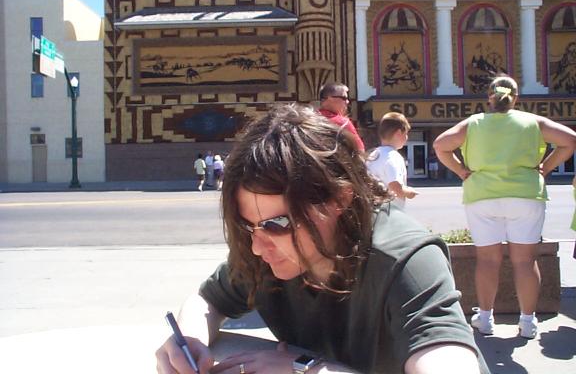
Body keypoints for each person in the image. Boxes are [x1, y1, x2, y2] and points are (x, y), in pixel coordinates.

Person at [156, 104, 488, 374]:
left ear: (339, 199)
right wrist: (189, 341)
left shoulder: (406, 260)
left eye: (277, 223)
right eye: (247, 226)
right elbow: (207, 301)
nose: (257, 246)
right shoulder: (265, 251)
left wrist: (306, 368)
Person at [433, 74, 576, 340]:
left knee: (487, 260)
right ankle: (528, 321)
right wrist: (546, 167)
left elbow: (440, 145)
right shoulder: (533, 122)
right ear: (515, 98)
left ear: (489, 98)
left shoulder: (473, 123)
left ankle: (486, 318)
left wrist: (461, 171)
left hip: (482, 195)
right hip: (526, 195)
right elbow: (570, 139)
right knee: (525, 261)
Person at [366, 112, 418, 209]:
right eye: (406, 133)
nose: (407, 138)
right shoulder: (393, 157)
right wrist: (409, 192)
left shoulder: (373, 155)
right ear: (398, 133)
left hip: (372, 208)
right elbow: (395, 187)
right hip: (389, 210)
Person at [318, 82, 365, 153]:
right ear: (330, 98)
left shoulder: (309, 119)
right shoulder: (342, 123)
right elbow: (360, 151)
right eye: (344, 98)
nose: (347, 102)